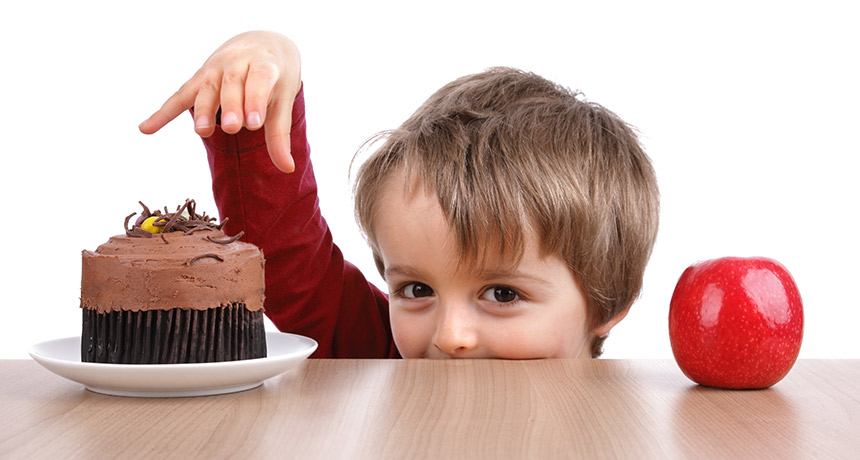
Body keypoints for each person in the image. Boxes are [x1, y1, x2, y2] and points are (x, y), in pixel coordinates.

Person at [139, 31, 659, 359]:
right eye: (416, 290)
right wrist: (255, 105)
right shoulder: (380, 350)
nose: (451, 336)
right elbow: (290, 263)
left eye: (502, 294)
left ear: (607, 303)